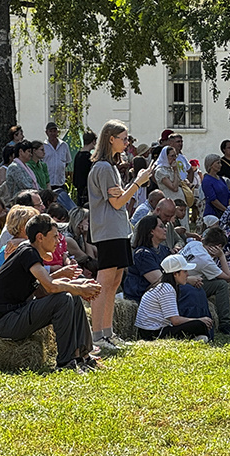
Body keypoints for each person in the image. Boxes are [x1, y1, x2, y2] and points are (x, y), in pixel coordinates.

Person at [0, 213, 101, 372]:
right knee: (64, 299)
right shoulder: (28, 252)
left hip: (17, 314)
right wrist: (80, 288)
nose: (58, 240)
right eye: (55, 236)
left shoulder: (30, 252)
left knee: (72, 298)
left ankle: (83, 356)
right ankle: (65, 363)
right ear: (40, 237)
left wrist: (78, 284)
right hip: (5, 323)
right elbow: (50, 287)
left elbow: (41, 291)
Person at [87, 119, 154, 352]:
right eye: (124, 139)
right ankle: (97, 336)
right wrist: (138, 182)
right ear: (110, 139)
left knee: (114, 283)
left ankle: (107, 332)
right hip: (108, 232)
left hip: (117, 230)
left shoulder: (111, 166)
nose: (127, 143)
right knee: (104, 284)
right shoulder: (104, 168)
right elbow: (117, 203)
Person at [134, 253, 213, 341]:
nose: (187, 274)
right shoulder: (167, 288)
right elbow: (175, 321)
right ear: (175, 274)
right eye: (185, 271)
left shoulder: (164, 286)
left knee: (197, 324)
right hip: (154, 333)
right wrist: (200, 320)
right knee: (199, 325)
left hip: (152, 331)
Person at [180, 227, 230, 336]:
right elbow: (228, 278)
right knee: (221, 285)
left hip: (180, 280)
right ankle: (225, 323)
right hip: (187, 286)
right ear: (219, 247)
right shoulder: (205, 260)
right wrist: (221, 256)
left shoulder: (194, 244)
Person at [123, 215, 170, 302]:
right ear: (151, 231)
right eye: (161, 226)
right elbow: (159, 281)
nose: (165, 230)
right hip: (143, 299)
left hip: (161, 295)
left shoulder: (164, 250)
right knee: (187, 293)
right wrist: (188, 280)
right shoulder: (142, 254)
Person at [42, 122, 73, 209]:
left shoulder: (64, 145)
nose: (53, 133)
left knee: (61, 206)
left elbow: (67, 161)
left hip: (60, 182)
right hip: (48, 183)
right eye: (50, 131)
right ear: (46, 132)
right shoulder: (44, 146)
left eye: (54, 131)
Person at [71, 131, 96, 209]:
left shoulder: (78, 155)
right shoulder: (89, 158)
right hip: (87, 191)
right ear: (93, 141)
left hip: (79, 189)